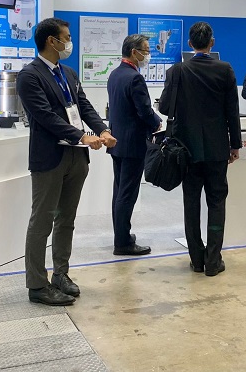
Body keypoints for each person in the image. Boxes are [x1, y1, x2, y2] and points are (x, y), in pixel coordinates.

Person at [16, 17, 116, 306]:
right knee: (42, 221)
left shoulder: (68, 73)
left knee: (66, 219)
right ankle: (37, 284)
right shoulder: (30, 75)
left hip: (76, 157)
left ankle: (61, 274)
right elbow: (44, 116)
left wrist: (102, 130)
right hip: (50, 157)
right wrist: (81, 136)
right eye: (67, 37)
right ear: (52, 41)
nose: (70, 42)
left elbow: (83, 106)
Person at [159, 22, 241, 277]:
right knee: (216, 202)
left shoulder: (177, 71)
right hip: (217, 148)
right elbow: (232, 111)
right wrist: (235, 144)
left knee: (191, 202)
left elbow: (164, 107)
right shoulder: (225, 69)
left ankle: (196, 259)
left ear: (190, 44)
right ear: (211, 43)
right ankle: (213, 260)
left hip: (186, 149)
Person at [106, 34, 162, 256]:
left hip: (118, 142)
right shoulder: (135, 78)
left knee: (119, 191)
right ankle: (122, 243)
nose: (148, 55)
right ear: (134, 52)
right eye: (145, 51)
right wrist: (157, 122)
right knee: (127, 194)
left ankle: (122, 235)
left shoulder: (115, 74)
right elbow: (144, 111)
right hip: (133, 145)